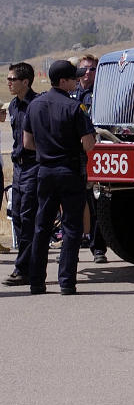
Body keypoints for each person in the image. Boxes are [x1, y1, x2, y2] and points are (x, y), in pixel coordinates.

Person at [23, 59, 96, 294]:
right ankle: (66, 282)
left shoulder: (34, 105)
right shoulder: (74, 107)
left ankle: (36, 281)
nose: (77, 82)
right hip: (69, 171)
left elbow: (27, 142)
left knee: (42, 226)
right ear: (63, 81)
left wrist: (47, 149)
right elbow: (88, 144)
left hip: (44, 172)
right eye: (74, 78)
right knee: (72, 227)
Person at [70, 55, 107, 264]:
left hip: (95, 153)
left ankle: (98, 248)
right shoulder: (70, 94)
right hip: (74, 156)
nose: (87, 73)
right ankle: (71, 247)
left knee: (96, 202)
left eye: (92, 70)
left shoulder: (102, 95)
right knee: (73, 203)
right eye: (84, 69)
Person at [4, 62, 38, 286]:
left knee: (27, 218)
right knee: (16, 216)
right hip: (18, 168)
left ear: (25, 82)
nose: (8, 82)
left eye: (12, 79)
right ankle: (27, 264)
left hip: (33, 166)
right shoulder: (13, 106)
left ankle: (24, 269)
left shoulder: (36, 105)